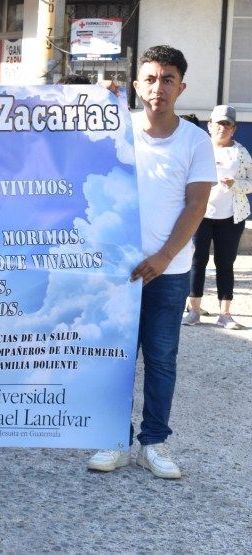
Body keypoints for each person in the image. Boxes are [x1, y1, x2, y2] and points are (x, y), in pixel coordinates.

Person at [86, 45, 215, 480]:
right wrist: (92, 99)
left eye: (168, 79)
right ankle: (116, 440)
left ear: (181, 87)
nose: (159, 87)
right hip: (117, 271)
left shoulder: (195, 141)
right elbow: (60, 141)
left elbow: (196, 205)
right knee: (115, 357)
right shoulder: (116, 128)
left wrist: (163, 257)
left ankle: (153, 444)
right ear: (137, 85)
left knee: (160, 359)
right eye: (151, 78)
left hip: (169, 272)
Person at [183, 104, 252, 330]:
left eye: (227, 124)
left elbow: (250, 183)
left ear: (234, 128)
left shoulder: (241, 153)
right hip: (199, 214)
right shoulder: (199, 148)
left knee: (225, 263)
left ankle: (225, 314)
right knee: (197, 260)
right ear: (209, 126)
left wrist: (235, 184)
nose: (222, 128)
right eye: (218, 124)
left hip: (231, 216)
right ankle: (194, 310)